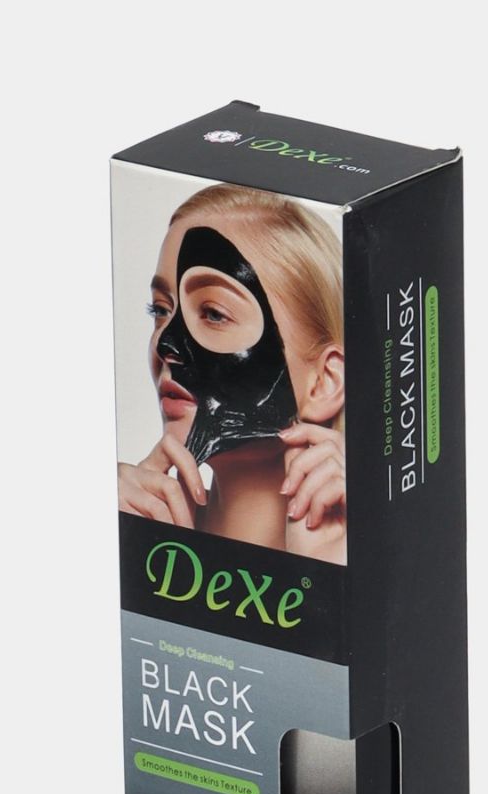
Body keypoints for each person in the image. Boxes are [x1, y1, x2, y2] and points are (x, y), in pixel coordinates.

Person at [118, 184, 347, 565]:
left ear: (325, 382)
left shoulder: (373, 557)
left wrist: (326, 571)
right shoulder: (130, 529)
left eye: (214, 313)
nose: (165, 342)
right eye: (160, 310)